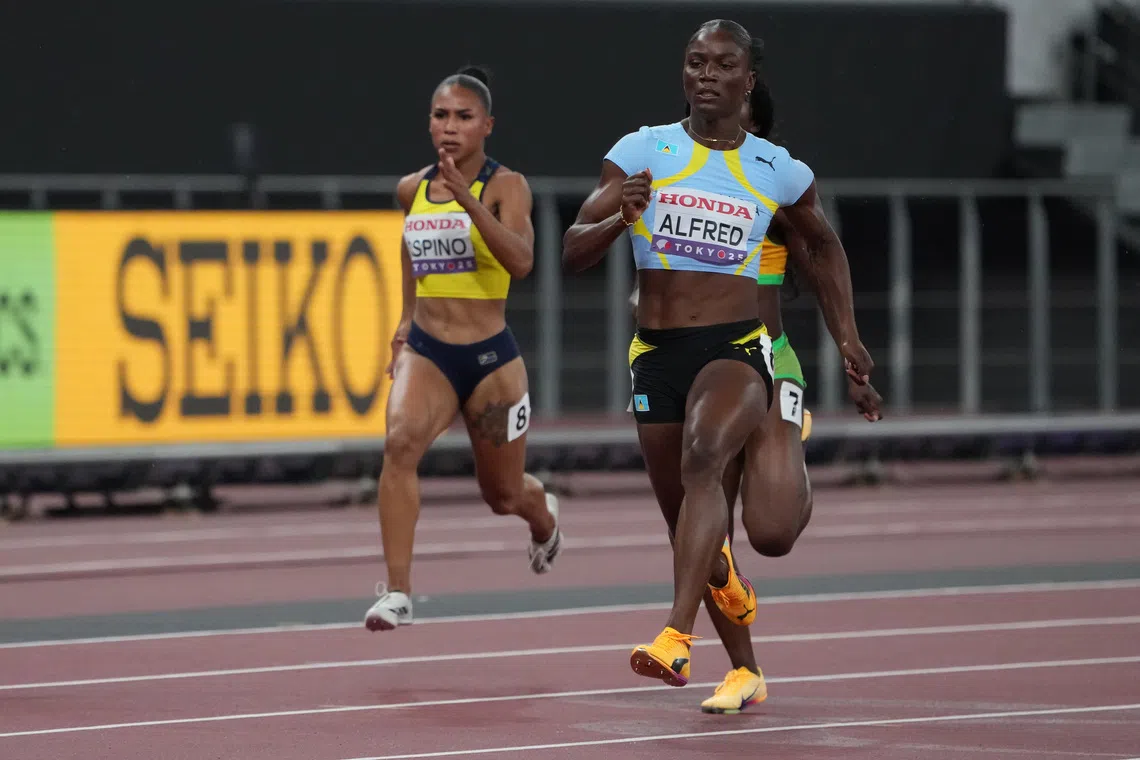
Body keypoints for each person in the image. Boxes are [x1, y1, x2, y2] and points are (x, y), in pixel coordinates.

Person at [563, 19, 874, 689]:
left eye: (722, 64)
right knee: (691, 529)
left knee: (712, 464)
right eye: (695, 61)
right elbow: (573, 247)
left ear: (748, 80)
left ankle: (675, 636)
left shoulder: (775, 169)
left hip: (735, 346)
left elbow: (821, 247)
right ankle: (746, 663)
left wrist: (848, 340)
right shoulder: (643, 149)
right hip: (655, 353)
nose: (706, 73)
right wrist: (620, 216)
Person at [364, 65, 563, 632]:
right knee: (399, 445)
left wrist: (467, 201)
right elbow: (409, 248)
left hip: (489, 361)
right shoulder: (411, 189)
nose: (450, 127)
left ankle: (543, 517)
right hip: (429, 351)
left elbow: (522, 262)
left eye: (464, 117)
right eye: (440, 115)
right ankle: (399, 592)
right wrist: (405, 318)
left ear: (487, 126)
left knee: (501, 495)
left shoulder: (506, 186)